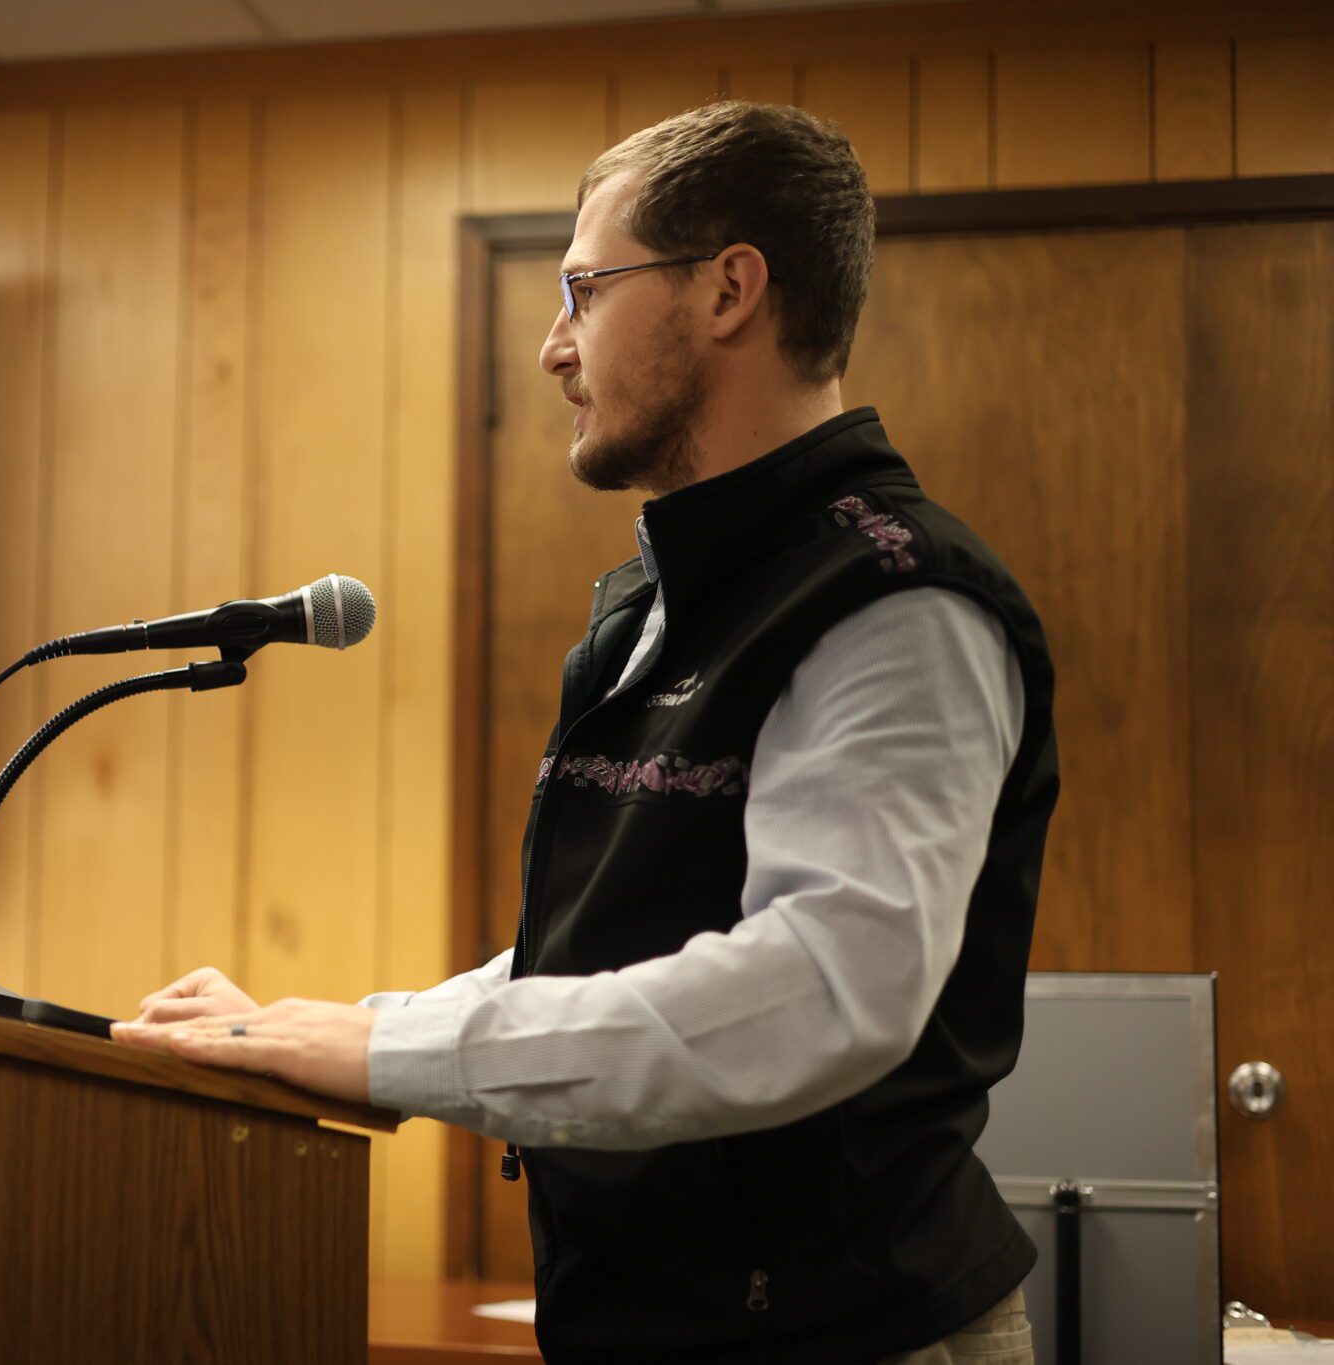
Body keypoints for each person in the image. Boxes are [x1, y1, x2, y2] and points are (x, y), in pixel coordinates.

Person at [111, 101, 1055, 1365]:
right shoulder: (652, 603)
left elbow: (823, 991)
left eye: (583, 289)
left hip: (846, 1333)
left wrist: (380, 1047)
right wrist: (311, 1028)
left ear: (728, 291)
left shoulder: (894, 600)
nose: (553, 347)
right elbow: (612, 945)